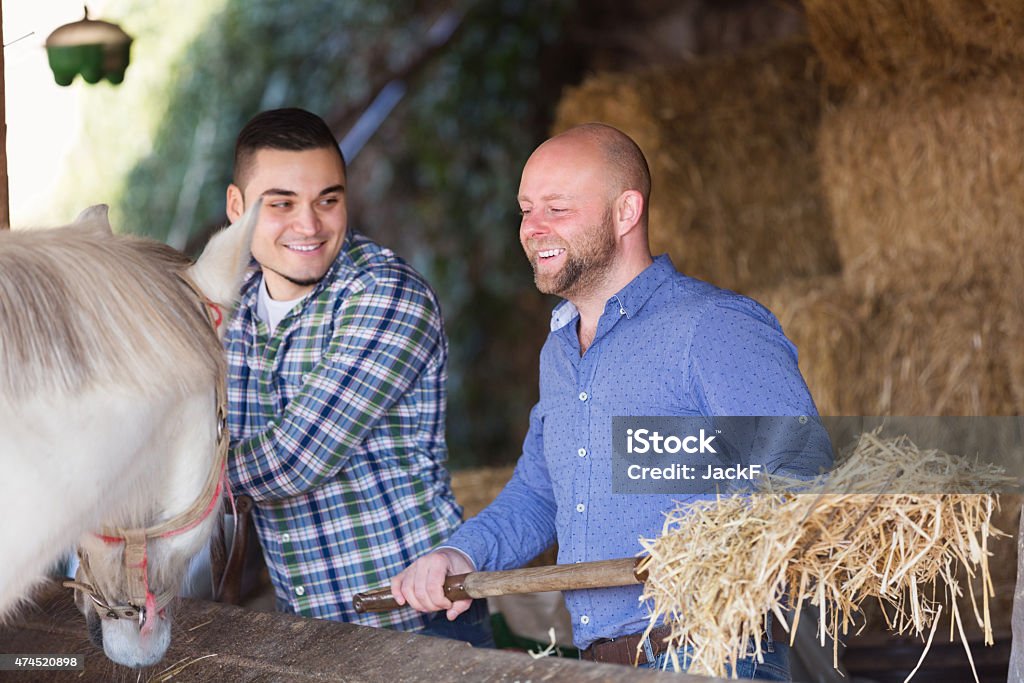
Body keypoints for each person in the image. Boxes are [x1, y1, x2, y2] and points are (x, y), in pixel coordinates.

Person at [390, 123, 832, 677]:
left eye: (557, 208)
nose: (532, 229)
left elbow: (799, 475)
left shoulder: (711, 327)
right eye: (526, 209)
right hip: (602, 664)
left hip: (708, 657)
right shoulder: (560, 350)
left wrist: (705, 557)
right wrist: (461, 554)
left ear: (626, 212)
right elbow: (539, 492)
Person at [222, 107, 491, 645]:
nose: (310, 225)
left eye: (329, 199)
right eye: (281, 204)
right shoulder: (231, 312)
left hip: (421, 625)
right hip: (313, 633)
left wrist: (155, 482)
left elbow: (294, 461)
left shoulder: (387, 294)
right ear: (237, 207)